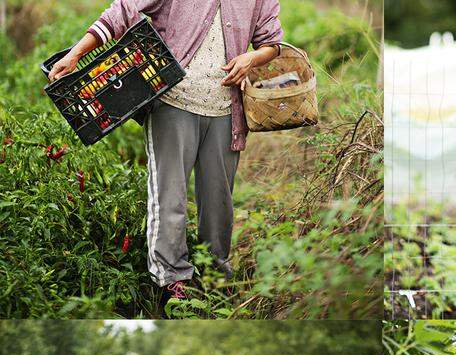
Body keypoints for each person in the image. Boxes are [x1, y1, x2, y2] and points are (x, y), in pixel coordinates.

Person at [48, 0, 283, 306]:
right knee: (169, 198)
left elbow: (272, 42)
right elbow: (122, 10)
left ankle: (215, 279)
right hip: (174, 102)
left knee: (219, 204)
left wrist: (252, 58)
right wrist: (76, 53)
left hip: (226, 111)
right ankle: (172, 280)